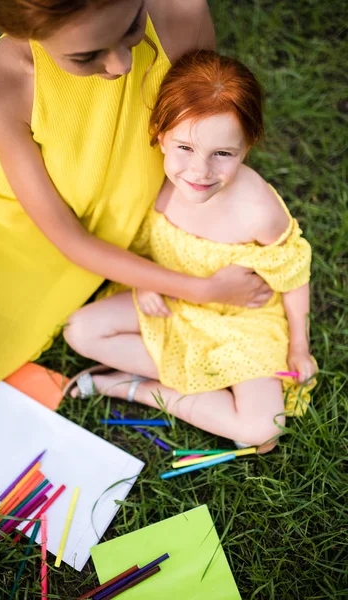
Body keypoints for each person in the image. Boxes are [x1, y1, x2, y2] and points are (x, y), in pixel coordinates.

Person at [0, 0, 275, 418]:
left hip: (93, 235)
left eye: (132, 26)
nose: (121, 64)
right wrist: (200, 290)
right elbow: (68, 238)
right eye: (85, 56)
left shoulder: (181, 12)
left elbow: (205, 134)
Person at [63, 50, 318, 452]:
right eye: (184, 147)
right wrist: (142, 281)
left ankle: (135, 388)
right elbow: (137, 242)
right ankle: (200, 382)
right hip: (169, 300)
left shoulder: (258, 210)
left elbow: (293, 273)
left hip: (241, 321)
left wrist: (299, 348)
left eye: (223, 154)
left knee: (262, 432)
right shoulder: (151, 182)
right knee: (80, 329)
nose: (199, 172)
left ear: (247, 146)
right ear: (160, 135)